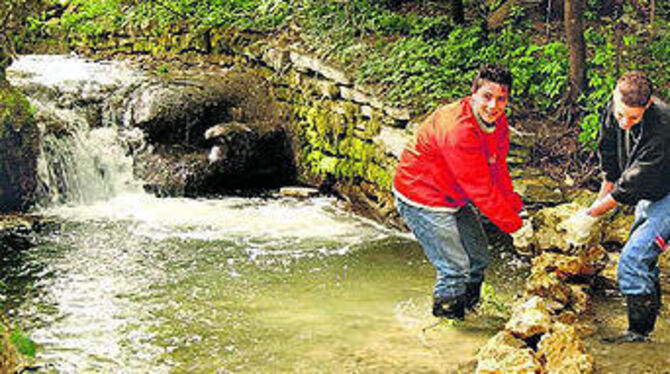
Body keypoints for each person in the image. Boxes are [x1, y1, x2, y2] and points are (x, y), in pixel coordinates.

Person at [393, 64, 529, 320]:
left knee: (477, 258)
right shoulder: (458, 129)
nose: (493, 106)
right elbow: (480, 189)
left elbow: (497, 171)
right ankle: (449, 328)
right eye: (487, 97)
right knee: (454, 268)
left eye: (501, 99)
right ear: (473, 93)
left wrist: (517, 209)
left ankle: (469, 312)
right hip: (421, 196)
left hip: (453, 194)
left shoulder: (498, 124)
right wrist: (515, 227)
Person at [561, 71, 670, 343]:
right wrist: (597, 204)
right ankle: (652, 321)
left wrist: (589, 216)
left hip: (665, 192)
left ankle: (639, 335)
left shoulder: (663, 125)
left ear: (647, 105)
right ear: (614, 97)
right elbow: (610, 164)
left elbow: (630, 186)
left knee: (632, 261)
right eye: (621, 114)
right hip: (651, 191)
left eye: (633, 118)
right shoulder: (614, 110)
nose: (625, 122)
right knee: (644, 258)